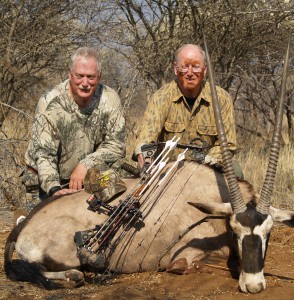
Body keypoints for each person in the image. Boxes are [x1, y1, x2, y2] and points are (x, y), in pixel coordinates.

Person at [22, 47, 126, 212]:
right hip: (46, 178)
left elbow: (116, 145)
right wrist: (55, 189)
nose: (85, 83)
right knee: (36, 229)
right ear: (70, 74)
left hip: (85, 176)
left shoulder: (110, 98)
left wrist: (85, 165)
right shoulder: (50, 101)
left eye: (91, 77)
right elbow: (43, 153)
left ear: (99, 77)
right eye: (79, 76)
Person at [134, 44, 243, 178]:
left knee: (237, 173)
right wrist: (147, 162)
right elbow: (146, 138)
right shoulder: (160, 98)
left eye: (196, 67)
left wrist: (202, 167)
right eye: (184, 66)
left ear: (204, 70)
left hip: (207, 170)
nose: (190, 73)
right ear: (175, 69)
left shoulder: (222, 99)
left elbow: (228, 144)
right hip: (168, 173)